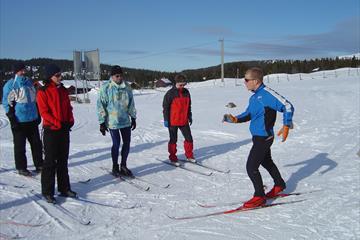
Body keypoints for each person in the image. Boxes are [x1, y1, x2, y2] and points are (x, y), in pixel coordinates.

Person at [223, 67, 294, 208]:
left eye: (246, 80)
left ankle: (259, 196)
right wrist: (235, 119)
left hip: (264, 137)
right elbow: (249, 114)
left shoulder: (267, 94)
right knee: (266, 162)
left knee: (251, 167)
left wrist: (286, 124)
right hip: (257, 136)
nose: (244, 82)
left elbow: (287, 106)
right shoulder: (254, 97)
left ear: (255, 81)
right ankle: (279, 185)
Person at [37, 64, 76, 203]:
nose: (60, 77)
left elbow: (68, 108)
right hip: (51, 130)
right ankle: (47, 191)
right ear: (50, 76)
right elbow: (44, 112)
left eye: (60, 75)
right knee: (50, 162)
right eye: (57, 75)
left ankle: (64, 187)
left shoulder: (63, 90)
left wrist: (70, 119)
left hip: (64, 129)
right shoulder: (43, 92)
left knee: (63, 160)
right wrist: (56, 122)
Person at [2, 62, 43, 176]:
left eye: (24, 69)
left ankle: (39, 164)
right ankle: (21, 167)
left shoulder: (29, 82)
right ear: (16, 71)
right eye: (21, 70)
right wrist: (12, 119)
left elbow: (34, 100)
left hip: (32, 119)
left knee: (36, 144)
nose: (23, 72)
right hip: (19, 121)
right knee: (20, 146)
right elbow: (6, 104)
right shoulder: (10, 85)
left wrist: (38, 114)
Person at [97, 65, 137, 178]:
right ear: (112, 76)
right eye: (117, 76)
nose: (119, 78)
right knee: (116, 143)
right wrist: (101, 122)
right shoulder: (106, 87)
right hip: (112, 121)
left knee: (127, 143)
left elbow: (131, 103)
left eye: (121, 75)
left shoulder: (127, 87)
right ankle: (115, 165)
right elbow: (101, 105)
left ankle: (123, 165)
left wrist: (133, 117)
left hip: (125, 120)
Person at [162, 74, 195, 166]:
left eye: (184, 85)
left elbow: (189, 106)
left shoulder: (186, 92)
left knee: (189, 138)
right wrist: (166, 119)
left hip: (184, 120)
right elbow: (166, 108)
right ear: (176, 83)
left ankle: (189, 155)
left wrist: (190, 116)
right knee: (173, 140)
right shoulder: (170, 94)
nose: (182, 87)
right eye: (181, 85)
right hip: (173, 121)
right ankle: (173, 157)